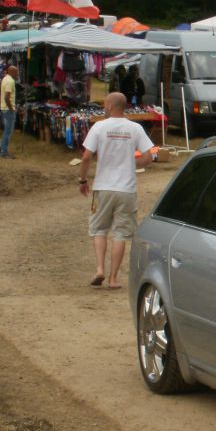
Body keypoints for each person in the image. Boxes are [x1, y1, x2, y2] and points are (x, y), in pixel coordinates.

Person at [78, 92, 157, 290]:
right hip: (126, 188)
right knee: (121, 233)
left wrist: (82, 179)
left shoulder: (99, 127)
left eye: (105, 104)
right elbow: (149, 156)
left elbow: (87, 156)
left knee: (99, 229)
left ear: (112, 106)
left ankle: (99, 269)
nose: (104, 108)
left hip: (103, 187)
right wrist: (133, 163)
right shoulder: (135, 128)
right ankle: (113, 278)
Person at [0, 65, 18, 157]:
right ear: (12, 72)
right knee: (8, 131)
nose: (17, 74)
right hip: (8, 109)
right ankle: (4, 152)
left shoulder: (5, 78)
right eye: (16, 72)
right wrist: (11, 108)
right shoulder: (10, 81)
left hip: (3, 108)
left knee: (6, 130)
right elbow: (7, 97)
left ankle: (1, 147)